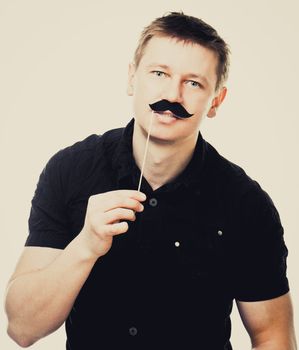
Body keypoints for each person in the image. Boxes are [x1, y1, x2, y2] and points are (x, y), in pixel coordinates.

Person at [5, 11, 297, 350]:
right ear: (132, 78)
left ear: (216, 101)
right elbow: (22, 329)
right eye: (159, 73)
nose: (172, 96)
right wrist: (85, 246)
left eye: (193, 83)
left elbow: (272, 336)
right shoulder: (70, 170)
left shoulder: (247, 204)